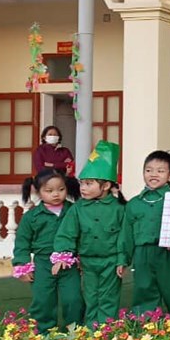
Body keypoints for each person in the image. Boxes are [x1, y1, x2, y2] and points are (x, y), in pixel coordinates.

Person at [53, 140, 125, 327]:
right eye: (81, 183)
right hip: (87, 262)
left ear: (106, 185)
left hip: (111, 262)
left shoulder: (119, 209)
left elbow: (124, 238)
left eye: (88, 183)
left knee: (109, 298)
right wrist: (63, 255)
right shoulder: (77, 209)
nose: (82, 188)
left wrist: (122, 260)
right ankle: (92, 332)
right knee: (91, 297)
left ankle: (107, 331)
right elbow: (67, 233)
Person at [121, 151, 170, 318]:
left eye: (160, 171)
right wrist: (123, 259)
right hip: (142, 254)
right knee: (144, 291)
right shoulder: (134, 204)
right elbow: (126, 234)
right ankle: (146, 327)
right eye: (148, 170)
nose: (153, 174)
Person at [14, 169, 83, 331]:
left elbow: (83, 236)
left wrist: (81, 258)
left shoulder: (74, 210)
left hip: (69, 263)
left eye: (61, 189)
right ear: (38, 191)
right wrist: (22, 265)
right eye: (49, 190)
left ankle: (75, 333)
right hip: (42, 264)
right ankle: (43, 334)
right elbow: (22, 243)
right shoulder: (31, 216)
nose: (56, 194)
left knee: (73, 299)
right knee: (43, 300)